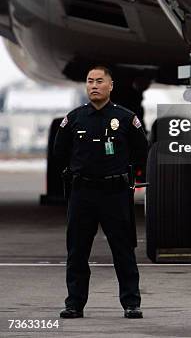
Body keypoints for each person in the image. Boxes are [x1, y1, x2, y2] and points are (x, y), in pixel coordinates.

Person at [53, 66, 148, 319]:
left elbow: (141, 151)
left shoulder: (126, 118)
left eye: (99, 81)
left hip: (114, 193)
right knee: (77, 251)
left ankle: (131, 303)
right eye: (89, 81)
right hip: (82, 192)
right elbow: (59, 153)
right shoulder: (74, 119)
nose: (94, 85)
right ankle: (74, 303)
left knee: (123, 250)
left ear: (110, 86)